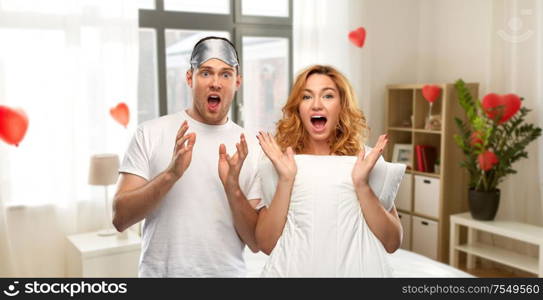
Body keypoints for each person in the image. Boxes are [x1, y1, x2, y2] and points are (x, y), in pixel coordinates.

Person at [112, 36, 262, 277]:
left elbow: (255, 242)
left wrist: (232, 187)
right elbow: (120, 218)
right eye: (206, 73)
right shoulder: (150, 133)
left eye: (225, 74)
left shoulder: (250, 148)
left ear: (237, 82)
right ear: (190, 78)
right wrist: (170, 175)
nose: (215, 82)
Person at [254, 65, 403, 277]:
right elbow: (266, 244)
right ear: (298, 108)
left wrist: (362, 186)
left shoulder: (367, 160)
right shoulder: (280, 162)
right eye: (306, 97)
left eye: (328, 96)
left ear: (342, 105)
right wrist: (286, 180)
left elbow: (392, 242)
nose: (316, 105)